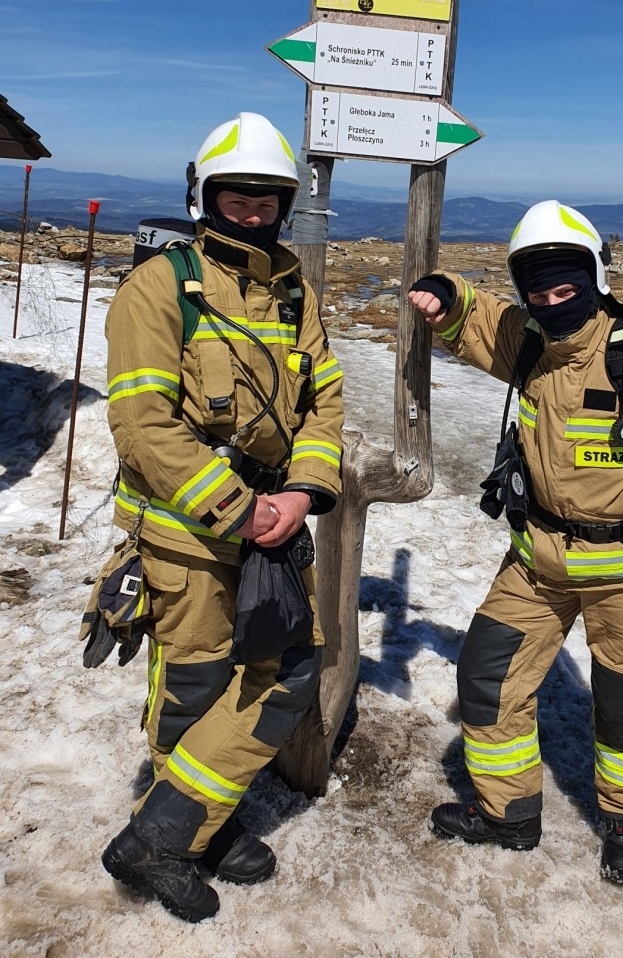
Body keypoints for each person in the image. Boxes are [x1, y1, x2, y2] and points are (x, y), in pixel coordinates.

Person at [407, 199, 623, 884]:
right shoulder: (532, 342)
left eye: (564, 283)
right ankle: (507, 816)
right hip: (535, 564)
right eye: (535, 286)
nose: (549, 297)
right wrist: (442, 291)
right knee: (485, 681)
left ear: (594, 276)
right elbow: (474, 317)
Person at [98, 112, 344, 921]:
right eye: (235, 193)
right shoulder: (160, 285)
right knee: (198, 685)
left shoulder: (290, 287)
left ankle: (166, 832)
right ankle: (199, 826)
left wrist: (303, 492)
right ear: (204, 193)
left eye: (267, 196)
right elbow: (142, 423)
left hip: (272, 519)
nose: (251, 208)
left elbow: (324, 400)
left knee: (288, 666)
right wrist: (238, 509)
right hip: (187, 531)